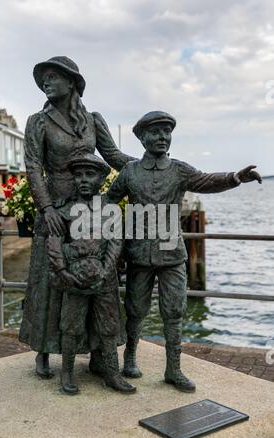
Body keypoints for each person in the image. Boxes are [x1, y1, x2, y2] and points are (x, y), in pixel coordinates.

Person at [106, 110, 262, 393]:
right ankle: (129, 358)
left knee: (174, 311)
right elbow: (109, 201)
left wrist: (235, 177)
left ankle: (173, 369)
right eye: (155, 132)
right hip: (138, 254)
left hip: (172, 255)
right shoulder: (129, 172)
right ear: (141, 137)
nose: (162, 137)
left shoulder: (179, 170)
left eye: (166, 131)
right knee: (135, 310)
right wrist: (108, 237)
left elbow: (206, 181)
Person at [19, 57, 135, 378]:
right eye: (43, 78)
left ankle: (99, 352)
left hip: (90, 210)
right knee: (48, 280)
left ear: (72, 82)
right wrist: (46, 209)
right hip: (55, 211)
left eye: (53, 77)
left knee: (96, 276)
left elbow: (114, 157)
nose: (46, 82)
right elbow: (33, 167)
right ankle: (42, 348)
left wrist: (150, 165)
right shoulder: (38, 122)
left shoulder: (94, 121)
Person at [47, 153, 136, 394]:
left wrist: (105, 270)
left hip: (104, 280)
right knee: (71, 326)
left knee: (109, 325)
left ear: (101, 179)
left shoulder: (109, 210)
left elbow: (116, 242)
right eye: (78, 174)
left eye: (90, 174)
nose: (83, 179)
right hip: (73, 280)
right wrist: (64, 271)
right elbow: (54, 242)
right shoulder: (64, 210)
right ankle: (67, 372)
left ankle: (112, 372)